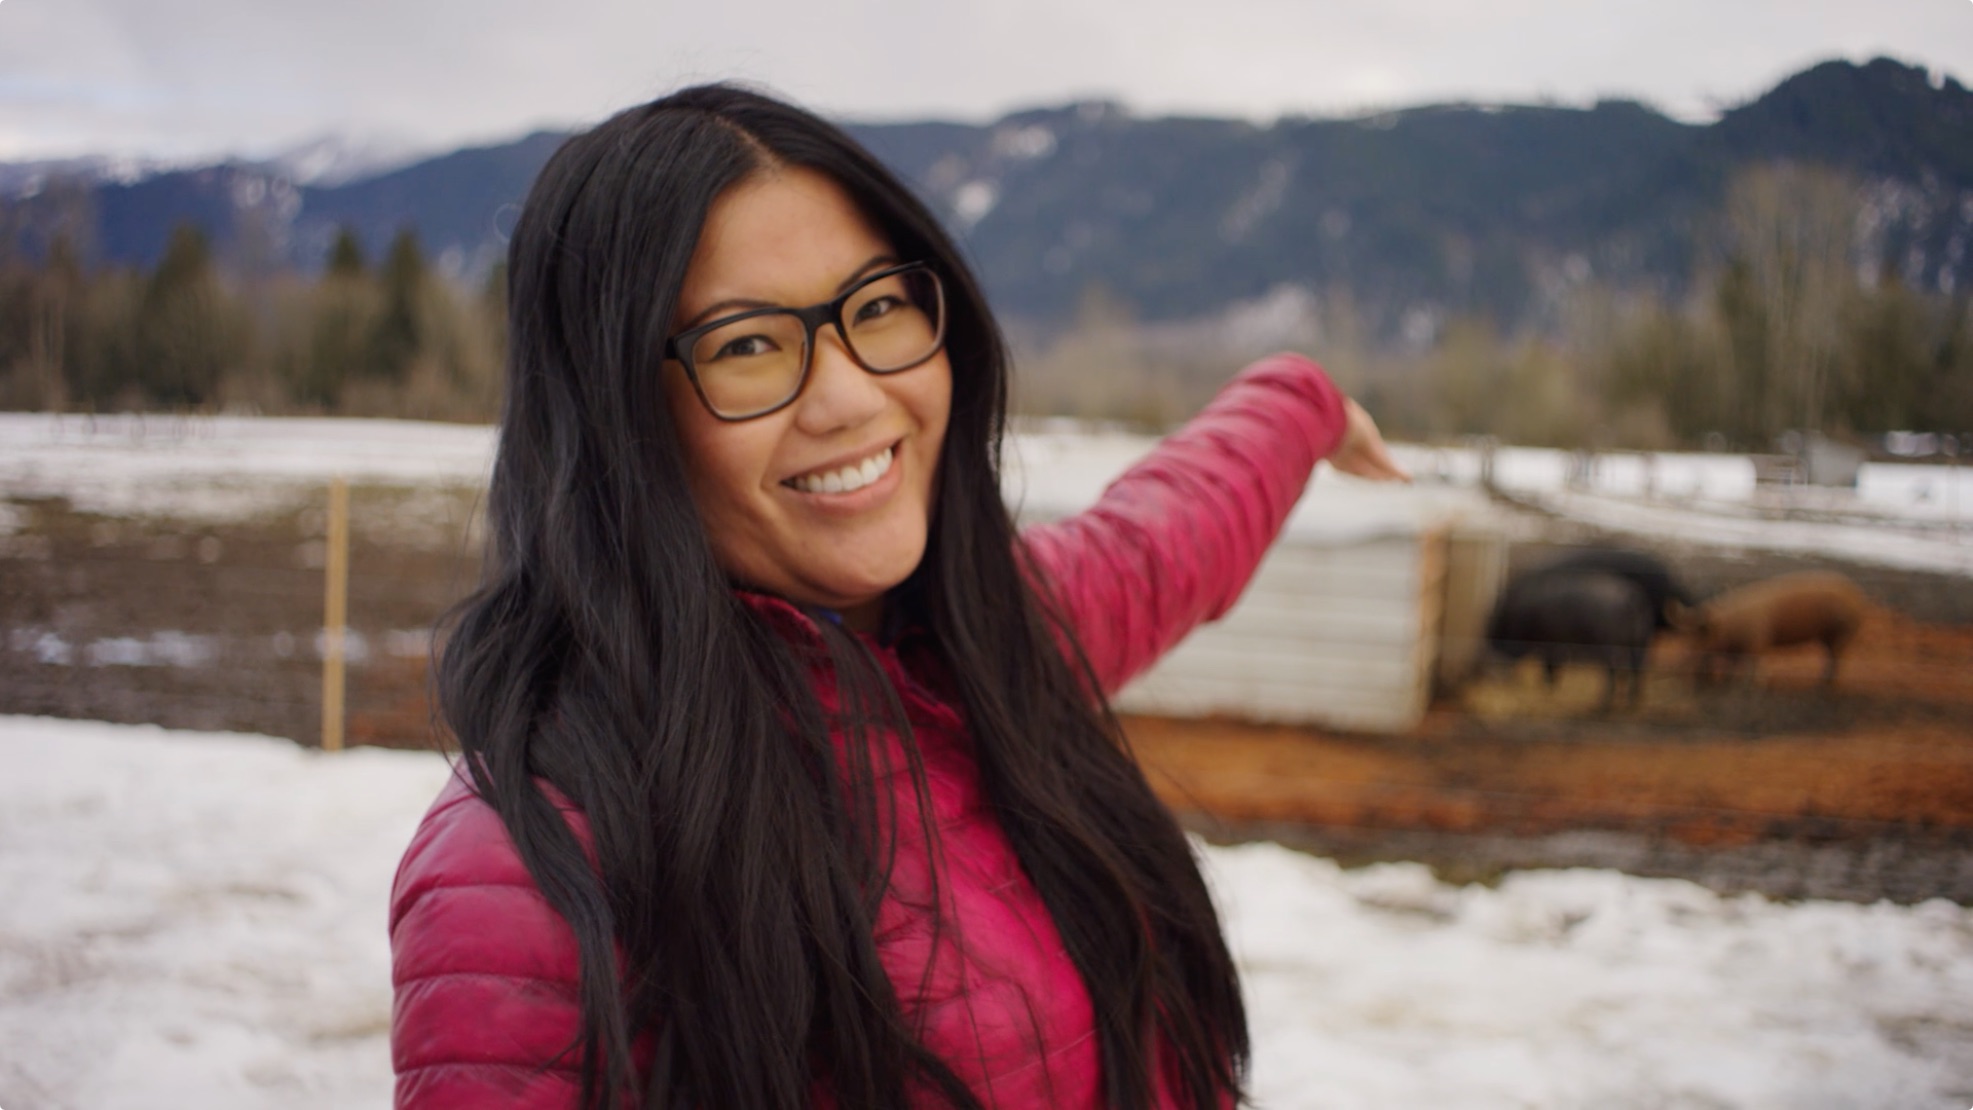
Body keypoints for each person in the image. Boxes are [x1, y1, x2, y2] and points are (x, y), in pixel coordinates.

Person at [389, 84, 1407, 1110]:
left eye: (875, 308)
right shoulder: (528, 871)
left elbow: (1166, 536)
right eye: (747, 345)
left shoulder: (986, 645)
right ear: (612, 413)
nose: (849, 398)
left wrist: (1300, 402)